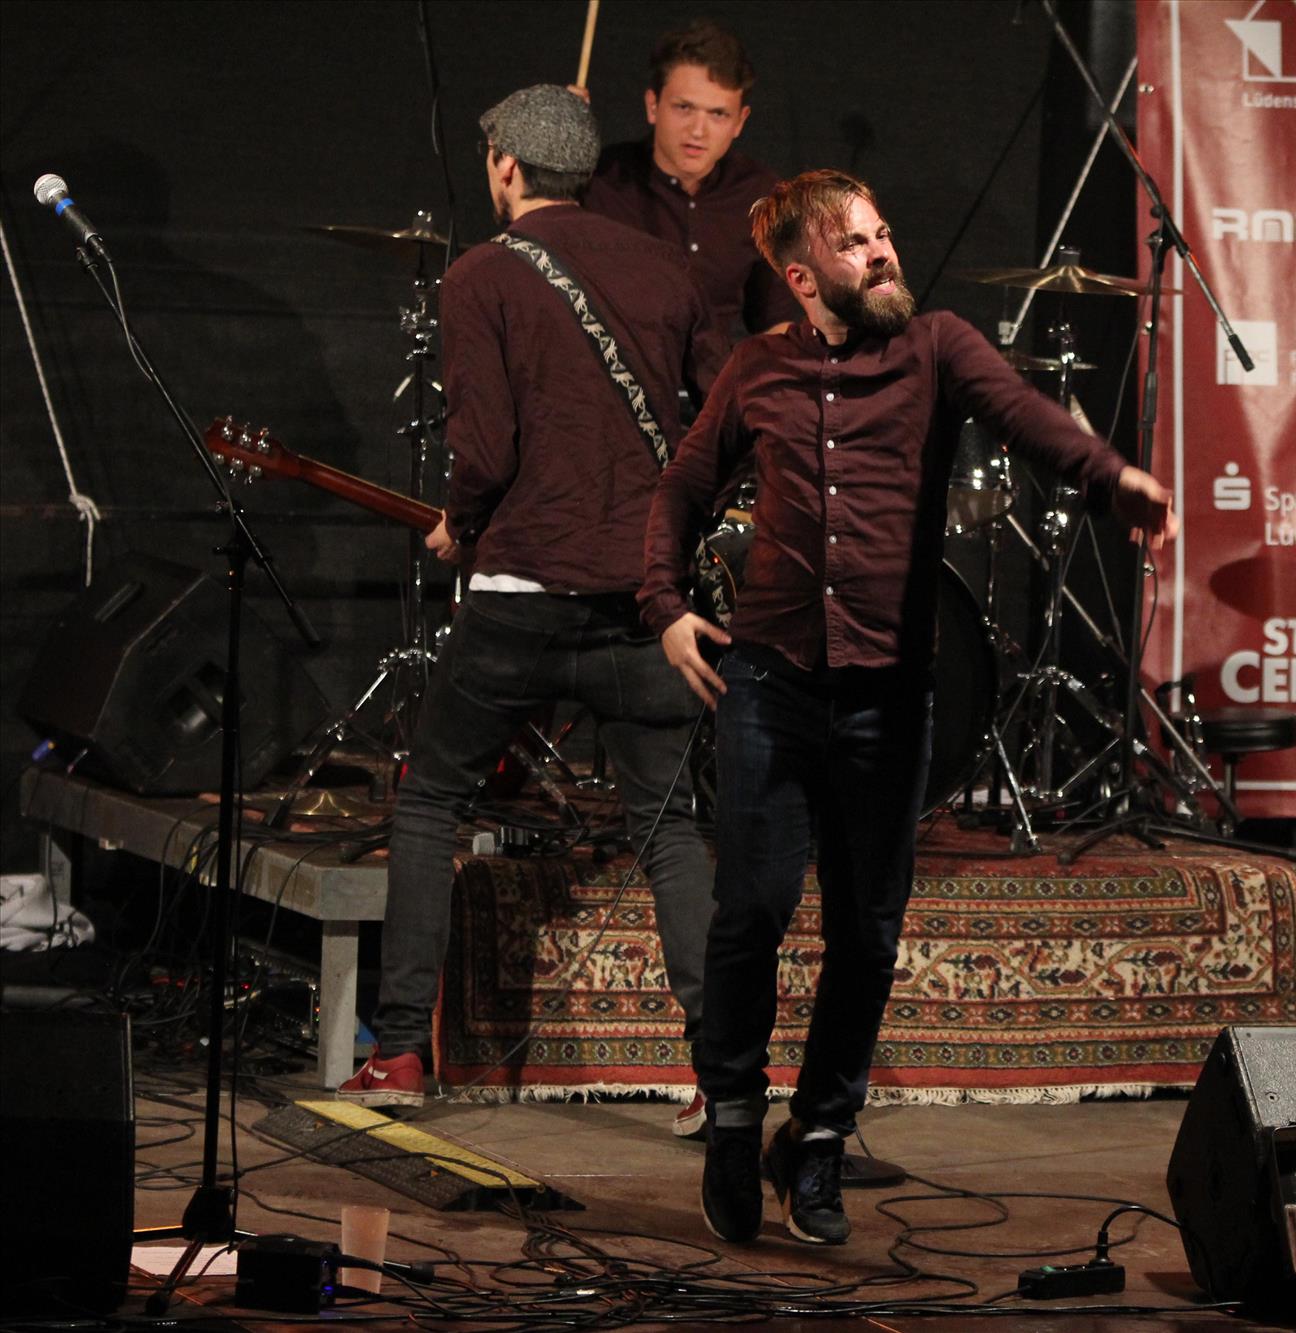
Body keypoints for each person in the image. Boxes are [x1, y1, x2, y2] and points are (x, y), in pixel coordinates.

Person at [640, 169, 1179, 1245]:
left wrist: (1112, 477)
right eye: (854, 243)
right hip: (769, 682)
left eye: (882, 231)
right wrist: (663, 605)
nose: (883, 251)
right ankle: (735, 1117)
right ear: (803, 277)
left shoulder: (937, 346)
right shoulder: (757, 368)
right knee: (750, 909)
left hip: (887, 693)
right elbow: (682, 489)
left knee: (868, 929)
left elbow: (1030, 420)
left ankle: (817, 1136)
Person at [338, 86, 729, 1137]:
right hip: (642, 599)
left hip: (519, 596)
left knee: (431, 800)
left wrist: (459, 524)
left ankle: (398, 1053)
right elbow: (723, 426)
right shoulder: (669, 269)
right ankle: (720, 1077)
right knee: (667, 827)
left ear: (506, 166)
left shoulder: (480, 275)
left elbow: (488, 449)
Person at [580, 18, 796, 340]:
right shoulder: (597, 180)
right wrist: (552, 142)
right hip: (611, 367)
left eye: (718, 114)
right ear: (653, 106)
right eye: (684, 108)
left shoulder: (760, 193)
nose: (698, 131)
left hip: (720, 372)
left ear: (740, 122)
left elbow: (776, 323)